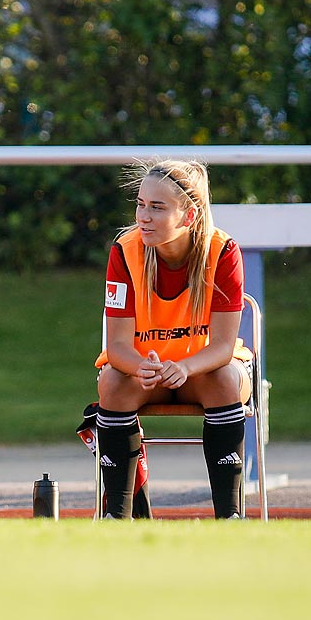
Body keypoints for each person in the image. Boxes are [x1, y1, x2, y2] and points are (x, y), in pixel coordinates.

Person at [94, 159, 250, 519]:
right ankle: (117, 518)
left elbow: (224, 348)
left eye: (157, 207)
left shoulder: (222, 251)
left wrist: (184, 367)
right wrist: (142, 367)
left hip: (202, 370)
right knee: (112, 381)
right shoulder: (125, 250)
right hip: (149, 373)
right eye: (140, 204)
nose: (143, 217)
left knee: (225, 379)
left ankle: (231, 517)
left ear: (189, 215)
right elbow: (116, 346)